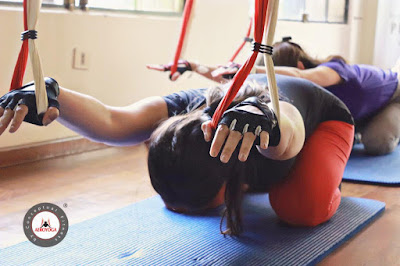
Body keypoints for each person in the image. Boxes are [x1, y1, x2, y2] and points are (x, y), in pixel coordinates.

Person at [0, 72, 354, 236]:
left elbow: (289, 133)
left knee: (299, 209)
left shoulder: (262, 135)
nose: (175, 209)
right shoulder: (182, 111)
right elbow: (112, 120)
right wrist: (53, 96)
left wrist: (268, 121)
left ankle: (336, 183)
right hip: (251, 139)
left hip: (324, 121)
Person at [251, 38, 400, 156]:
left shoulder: (333, 68)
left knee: (377, 143)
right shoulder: (306, 97)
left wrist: (252, 70)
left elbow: (299, 76)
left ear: (300, 65)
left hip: (394, 96)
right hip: (363, 113)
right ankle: (360, 131)